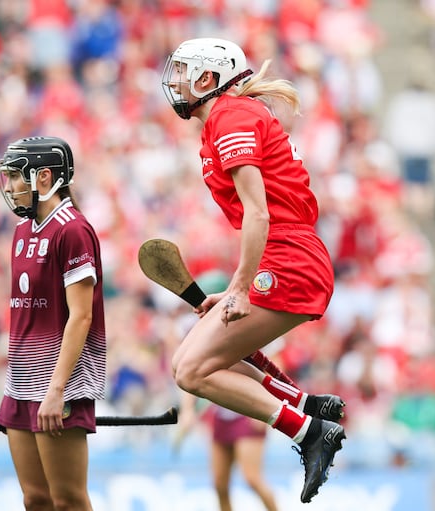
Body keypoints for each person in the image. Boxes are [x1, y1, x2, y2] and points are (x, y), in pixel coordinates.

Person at [161, 38, 346, 504]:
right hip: (284, 256)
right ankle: (301, 404)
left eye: (185, 72)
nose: (176, 81)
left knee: (192, 372)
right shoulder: (222, 120)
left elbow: (259, 215)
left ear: (209, 79)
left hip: (290, 258)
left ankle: (306, 429)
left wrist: (240, 288)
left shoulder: (230, 115)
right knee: (192, 360)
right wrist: (232, 292)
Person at [0, 136, 106, 511]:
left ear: (44, 178)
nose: (9, 187)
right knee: (36, 500)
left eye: (15, 177)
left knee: (68, 501)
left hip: (60, 385)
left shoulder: (72, 230)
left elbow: (82, 315)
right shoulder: (21, 233)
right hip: (21, 384)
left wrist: (56, 389)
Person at [178, 394, 279, 511]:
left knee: (252, 479)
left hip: (249, 414)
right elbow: (191, 378)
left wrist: (263, 407)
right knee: (219, 485)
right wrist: (187, 410)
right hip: (220, 418)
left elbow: (266, 376)